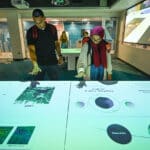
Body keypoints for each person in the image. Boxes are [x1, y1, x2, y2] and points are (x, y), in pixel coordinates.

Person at [26, 9, 63, 80]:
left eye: (40, 22)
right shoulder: (31, 31)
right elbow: (31, 49)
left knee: (55, 81)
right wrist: (35, 64)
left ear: (44, 18)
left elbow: (56, 44)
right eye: (35, 22)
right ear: (33, 19)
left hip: (52, 61)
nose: (38, 25)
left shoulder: (52, 28)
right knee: (38, 82)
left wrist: (60, 56)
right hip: (39, 63)